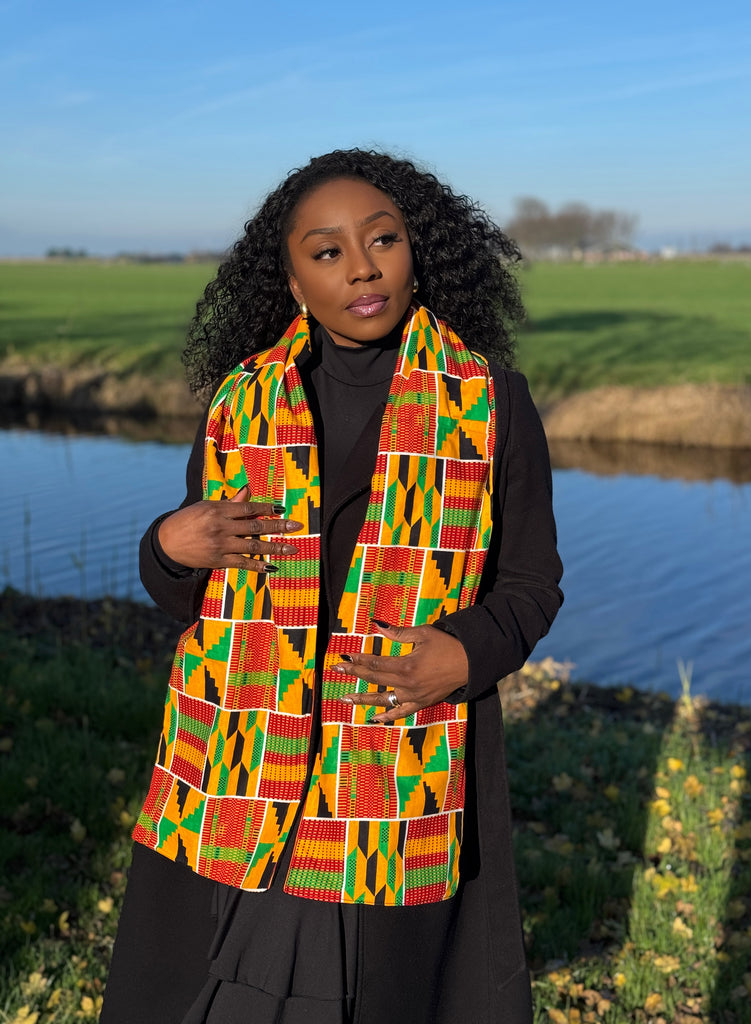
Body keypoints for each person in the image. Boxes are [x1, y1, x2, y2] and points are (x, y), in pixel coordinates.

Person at [101, 148, 563, 1024]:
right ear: (292, 281)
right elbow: (194, 593)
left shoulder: (490, 400)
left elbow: (532, 583)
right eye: (327, 251)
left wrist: (464, 655)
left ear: (418, 251)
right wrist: (168, 544)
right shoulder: (241, 403)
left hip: (395, 757)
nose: (361, 267)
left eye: (382, 240)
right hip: (242, 754)